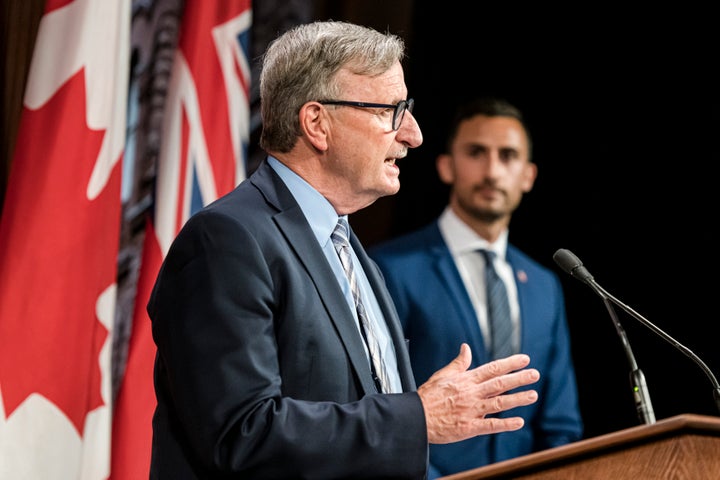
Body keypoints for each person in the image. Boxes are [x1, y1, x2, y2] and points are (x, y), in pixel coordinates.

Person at [147, 23, 541, 479]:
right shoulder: (226, 241)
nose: (412, 134)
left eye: (407, 110)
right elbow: (243, 432)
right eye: (392, 110)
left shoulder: (350, 250)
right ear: (317, 123)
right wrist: (417, 418)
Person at [369, 96, 584, 478]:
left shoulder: (544, 285)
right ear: (446, 166)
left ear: (528, 175)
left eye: (508, 156)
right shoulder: (390, 268)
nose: (492, 171)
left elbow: (560, 425)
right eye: (476, 152)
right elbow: (381, 406)